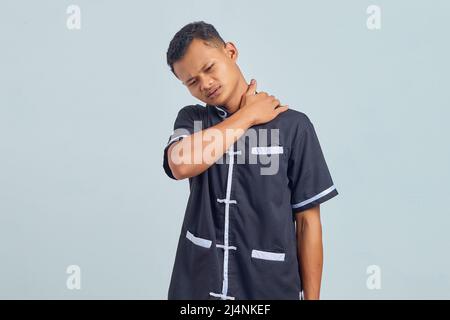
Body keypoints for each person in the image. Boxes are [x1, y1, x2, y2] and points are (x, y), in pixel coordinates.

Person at [163, 21, 338, 300]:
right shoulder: (193, 120)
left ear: (230, 52)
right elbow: (180, 164)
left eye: (209, 68)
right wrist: (248, 116)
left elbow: (308, 222)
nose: (205, 84)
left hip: (267, 287)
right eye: (192, 82)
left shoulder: (294, 127)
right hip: (197, 287)